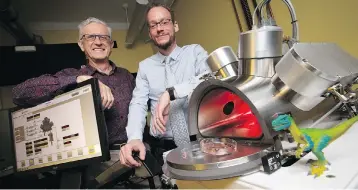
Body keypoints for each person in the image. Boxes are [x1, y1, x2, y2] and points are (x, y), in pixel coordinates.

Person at [12, 17, 135, 188]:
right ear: (81, 44)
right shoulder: (71, 75)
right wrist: (80, 80)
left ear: (111, 43)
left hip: (135, 154)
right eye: (91, 37)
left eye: (103, 37)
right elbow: (19, 93)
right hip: (95, 163)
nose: (98, 42)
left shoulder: (127, 76)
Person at [120, 3, 210, 168]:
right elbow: (138, 103)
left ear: (175, 26)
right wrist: (134, 138)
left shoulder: (194, 52)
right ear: (150, 33)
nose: (159, 28)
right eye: (153, 25)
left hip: (203, 140)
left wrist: (171, 93)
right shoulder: (145, 67)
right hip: (164, 147)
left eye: (164, 22)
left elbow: (210, 77)